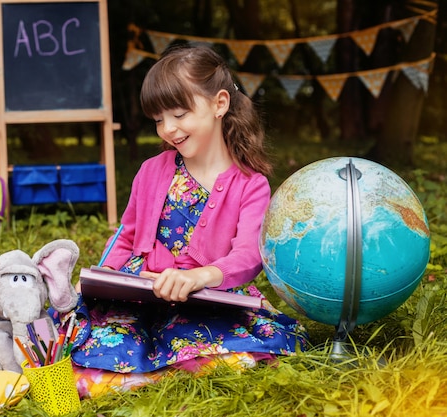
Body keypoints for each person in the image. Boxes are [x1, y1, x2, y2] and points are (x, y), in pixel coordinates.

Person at [63, 44, 307, 377]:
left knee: (207, 340)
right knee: (106, 340)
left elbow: (249, 255)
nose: (168, 129)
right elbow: (126, 235)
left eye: (179, 115)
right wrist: (100, 280)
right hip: (141, 292)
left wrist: (197, 278)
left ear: (219, 104)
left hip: (207, 295)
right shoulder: (151, 170)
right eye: (159, 120)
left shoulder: (251, 184)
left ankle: (169, 363)